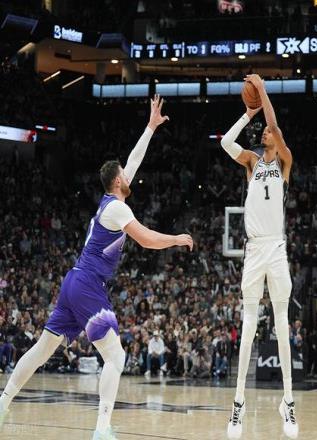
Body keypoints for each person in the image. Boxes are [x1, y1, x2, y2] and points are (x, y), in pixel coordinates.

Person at [0, 95, 194, 440]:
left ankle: (3, 402)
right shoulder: (118, 209)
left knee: (43, 349)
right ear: (118, 182)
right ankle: (102, 428)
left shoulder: (111, 200)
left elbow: (134, 159)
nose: (130, 175)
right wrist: (177, 238)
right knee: (116, 357)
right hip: (88, 284)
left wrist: (151, 127)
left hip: (75, 281)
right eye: (125, 175)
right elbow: (146, 240)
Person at [222, 74, 298, 439]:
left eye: (268, 131)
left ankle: (288, 401)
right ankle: (238, 403)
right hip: (254, 249)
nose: (265, 133)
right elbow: (225, 142)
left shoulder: (284, 161)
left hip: (276, 248)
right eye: (263, 131)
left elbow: (276, 127)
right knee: (249, 325)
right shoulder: (251, 162)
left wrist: (263, 92)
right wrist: (248, 114)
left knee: (282, 326)